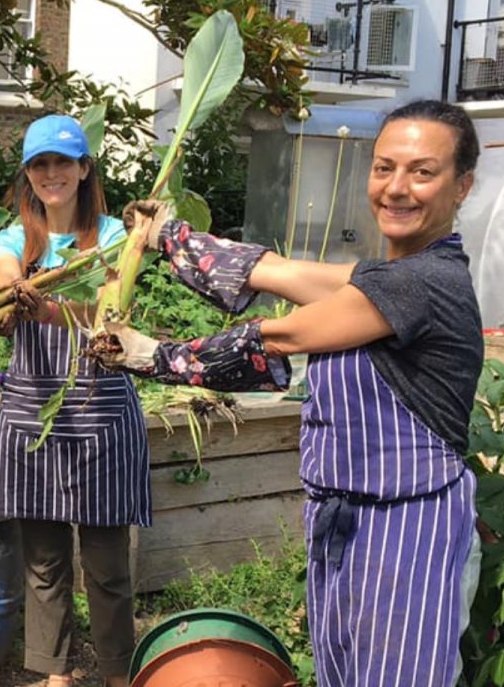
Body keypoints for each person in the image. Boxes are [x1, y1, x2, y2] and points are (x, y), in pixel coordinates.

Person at [104, 99, 484, 687]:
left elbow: (280, 337)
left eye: (422, 172)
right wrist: (172, 239)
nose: (397, 188)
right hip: (343, 522)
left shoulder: (427, 282)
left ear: (462, 186)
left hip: (409, 527)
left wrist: (154, 355)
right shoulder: (379, 277)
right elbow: (276, 272)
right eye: (384, 168)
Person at [0, 114, 151, 687]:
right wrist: (9, 294)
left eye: (62, 162)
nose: (51, 173)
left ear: (84, 169)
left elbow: (108, 314)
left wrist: (46, 308)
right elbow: (5, 279)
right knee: (43, 562)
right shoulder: (13, 239)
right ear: (28, 175)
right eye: (40, 164)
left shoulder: (113, 238)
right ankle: (55, 674)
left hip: (99, 415)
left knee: (106, 566)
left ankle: (115, 674)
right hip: (32, 412)